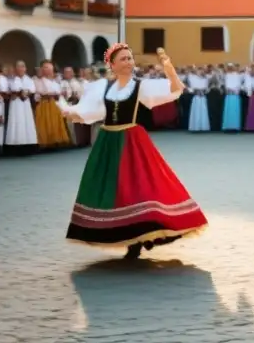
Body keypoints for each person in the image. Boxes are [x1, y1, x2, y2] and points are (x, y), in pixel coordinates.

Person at [60, 43, 208, 259]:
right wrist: (72, 113)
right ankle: (123, 233)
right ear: (112, 64)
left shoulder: (141, 86)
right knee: (113, 189)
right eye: (124, 59)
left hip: (131, 140)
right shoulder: (103, 87)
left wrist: (169, 70)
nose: (129, 62)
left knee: (138, 187)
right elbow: (90, 111)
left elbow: (175, 90)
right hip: (107, 142)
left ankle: (143, 236)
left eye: (130, 58)